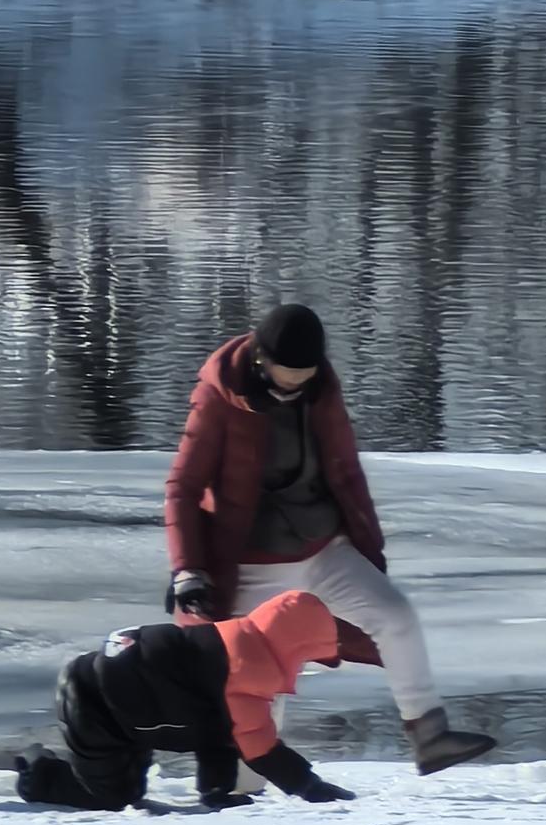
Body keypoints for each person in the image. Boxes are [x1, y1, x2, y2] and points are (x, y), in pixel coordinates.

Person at [164, 303, 493, 776]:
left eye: (306, 372)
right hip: (251, 563)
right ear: (260, 358)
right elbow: (183, 487)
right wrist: (187, 568)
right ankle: (239, 791)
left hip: (324, 550)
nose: (296, 382)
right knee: (256, 679)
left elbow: (347, 472)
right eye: (287, 372)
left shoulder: (322, 391)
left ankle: (429, 735)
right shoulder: (220, 397)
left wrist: (370, 548)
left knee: (394, 615)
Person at [16, 589, 356, 812]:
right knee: (110, 798)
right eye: (305, 657)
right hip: (93, 704)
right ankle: (39, 771)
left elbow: (218, 731)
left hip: (123, 702)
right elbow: (260, 748)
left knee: (134, 787)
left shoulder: (227, 646)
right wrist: (309, 786)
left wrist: (216, 791)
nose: (302, 666)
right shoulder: (245, 673)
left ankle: (209, 788)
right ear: (293, 647)